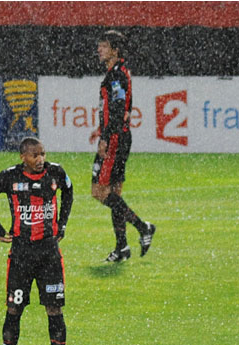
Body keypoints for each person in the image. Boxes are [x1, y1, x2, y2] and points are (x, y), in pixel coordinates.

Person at [0, 137, 74, 345]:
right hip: (21, 255)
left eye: (43, 153)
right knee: (14, 310)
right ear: (23, 157)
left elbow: (69, 189)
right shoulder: (9, 177)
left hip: (49, 255)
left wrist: (62, 223)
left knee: (54, 310)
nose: (40, 159)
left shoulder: (55, 173)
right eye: (35, 155)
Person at [88, 29, 156, 262]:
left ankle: (142, 227)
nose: (99, 50)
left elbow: (117, 109)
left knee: (99, 191)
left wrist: (105, 137)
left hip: (115, 138)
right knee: (114, 192)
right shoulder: (118, 73)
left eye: (104, 46)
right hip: (120, 136)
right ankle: (122, 248)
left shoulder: (116, 76)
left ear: (115, 50)